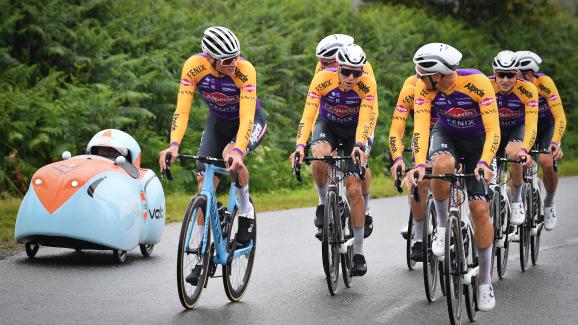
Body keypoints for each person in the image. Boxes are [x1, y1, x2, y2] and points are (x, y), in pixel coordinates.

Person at [159, 26, 267, 285]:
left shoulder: (245, 70)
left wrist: (239, 150)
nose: (234, 63)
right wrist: (173, 145)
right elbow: (181, 111)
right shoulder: (194, 66)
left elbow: (247, 117)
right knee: (203, 185)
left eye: (237, 56)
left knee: (231, 156)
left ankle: (245, 212)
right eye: (228, 60)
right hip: (217, 122)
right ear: (210, 58)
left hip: (248, 122)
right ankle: (201, 257)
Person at [406, 43, 499, 311]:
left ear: (437, 74)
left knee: (480, 210)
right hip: (445, 136)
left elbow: (494, 130)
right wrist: (420, 163)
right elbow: (421, 130)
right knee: (440, 165)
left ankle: (484, 282)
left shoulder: (477, 82)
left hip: (477, 143)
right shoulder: (424, 90)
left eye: (422, 72)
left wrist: (484, 161)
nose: (418, 77)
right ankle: (444, 227)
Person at [292, 44, 378, 276]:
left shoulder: (367, 84)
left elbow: (367, 119)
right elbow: (308, 115)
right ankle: (324, 202)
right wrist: (300, 145)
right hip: (328, 125)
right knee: (319, 154)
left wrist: (360, 145)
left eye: (356, 73)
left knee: (353, 189)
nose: (351, 77)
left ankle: (358, 253)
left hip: (354, 131)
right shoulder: (322, 79)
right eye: (346, 72)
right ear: (338, 67)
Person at [313, 34, 376, 238]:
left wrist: (362, 141)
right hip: (332, 118)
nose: (323, 67)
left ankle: (364, 209)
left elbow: (370, 109)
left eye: (327, 63)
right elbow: (316, 104)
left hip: (360, 120)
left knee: (360, 166)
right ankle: (324, 203)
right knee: (320, 156)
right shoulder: (323, 70)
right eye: (321, 63)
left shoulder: (362, 70)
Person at [388, 74, 438, 261]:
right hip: (422, 137)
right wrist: (397, 157)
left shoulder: (449, 89)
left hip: (450, 136)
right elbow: (396, 131)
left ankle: (457, 221)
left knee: (451, 177)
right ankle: (418, 235)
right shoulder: (409, 90)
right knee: (418, 180)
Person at [515, 50, 566, 230]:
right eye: (519, 73)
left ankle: (549, 203)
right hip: (524, 126)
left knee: (546, 161)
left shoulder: (545, 84)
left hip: (545, 127)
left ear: (534, 73)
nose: (523, 77)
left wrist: (555, 141)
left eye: (527, 73)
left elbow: (559, 116)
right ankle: (517, 200)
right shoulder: (512, 86)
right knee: (516, 158)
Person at [489, 50, 538, 224]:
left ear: (517, 73)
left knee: (514, 153)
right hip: (494, 129)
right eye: (501, 74)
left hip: (518, 127)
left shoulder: (528, 89)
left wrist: (525, 149)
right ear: (494, 73)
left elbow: (532, 124)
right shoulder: (486, 86)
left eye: (510, 75)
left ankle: (517, 200)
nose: (505, 80)